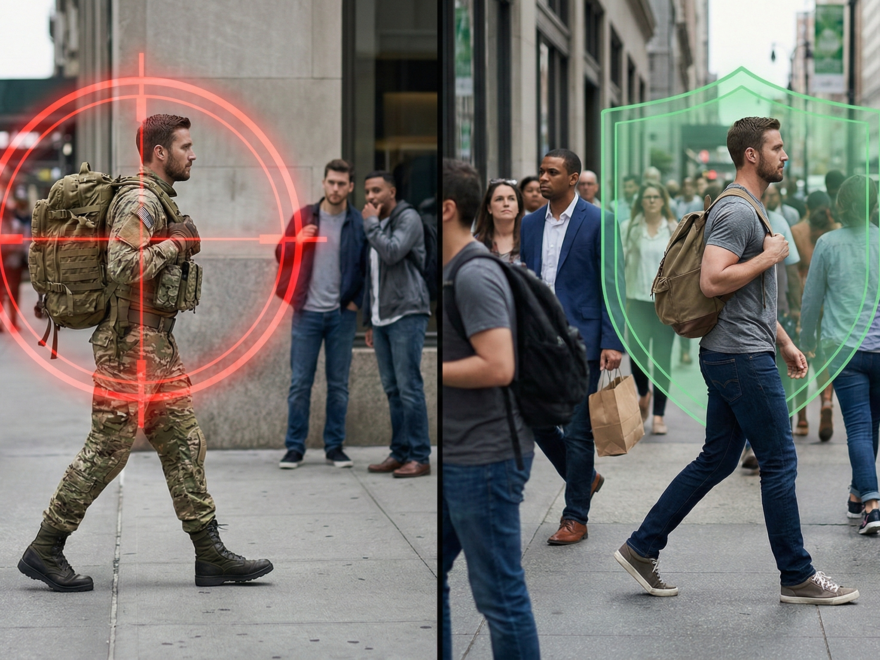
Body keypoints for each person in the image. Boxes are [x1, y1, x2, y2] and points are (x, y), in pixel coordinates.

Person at [18, 114, 273, 592]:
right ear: (161, 152)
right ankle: (46, 547)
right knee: (107, 451)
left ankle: (209, 552)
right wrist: (177, 245)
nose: (193, 154)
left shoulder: (154, 200)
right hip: (128, 345)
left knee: (184, 443)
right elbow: (121, 266)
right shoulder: (139, 202)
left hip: (155, 343)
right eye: (185, 146)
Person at [615, 116, 859, 605]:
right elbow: (712, 281)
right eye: (776, 147)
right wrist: (770, 257)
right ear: (752, 154)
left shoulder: (749, 208)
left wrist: (784, 341)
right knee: (779, 459)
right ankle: (797, 574)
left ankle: (642, 547)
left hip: (741, 350)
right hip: (741, 358)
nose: (784, 155)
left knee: (718, 458)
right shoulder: (737, 212)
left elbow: (749, 298)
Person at [441, 158, 540, 660]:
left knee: (500, 596)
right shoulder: (458, 268)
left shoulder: (474, 274)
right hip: (464, 452)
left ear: (446, 209)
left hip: (487, 457)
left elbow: (498, 366)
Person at [520, 148, 624, 545]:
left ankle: (574, 517)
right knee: (537, 420)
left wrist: (613, 342)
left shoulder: (600, 222)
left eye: (551, 172)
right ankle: (585, 477)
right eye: (541, 171)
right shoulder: (530, 225)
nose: (542, 178)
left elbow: (612, 285)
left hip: (582, 341)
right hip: (538, 341)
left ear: (573, 178)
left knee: (580, 431)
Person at [800, 175, 880, 533]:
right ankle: (856, 495)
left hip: (844, 349)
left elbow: (812, 298)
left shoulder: (828, 243)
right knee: (871, 427)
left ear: (840, 205)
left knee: (860, 430)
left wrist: (806, 341)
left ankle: (872, 505)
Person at [275, 159, 367, 470]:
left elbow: (366, 267)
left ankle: (334, 447)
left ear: (350, 187)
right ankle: (294, 447)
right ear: (324, 183)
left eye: (342, 184)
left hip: (341, 315)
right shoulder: (304, 216)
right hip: (307, 313)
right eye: (332, 182)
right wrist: (297, 243)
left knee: (338, 384)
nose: (336, 188)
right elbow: (280, 252)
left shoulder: (357, 222)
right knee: (300, 382)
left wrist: (356, 302)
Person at [362, 171, 432, 478]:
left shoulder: (408, 218)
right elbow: (373, 275)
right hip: (382, 317)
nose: (371, 197)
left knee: (409, 388)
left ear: (392, 191)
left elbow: (391, 253)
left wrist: (370, 224)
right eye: (367, 192)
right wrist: (370, 320)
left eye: (377, 190)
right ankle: (400, 451)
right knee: (393, 389)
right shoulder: (380, 223)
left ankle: (419, 455)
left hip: (407, 312)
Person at [620, 182, 678, 436]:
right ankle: (644, 394)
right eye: (648, 197)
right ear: (641, 202)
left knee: (663, 361)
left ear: (663, 201)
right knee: (638, 358)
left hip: (665, 305)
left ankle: (658, 414)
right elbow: (620, 265)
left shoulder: (674, 229)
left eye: (656, 196)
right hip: (638, 302)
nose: (652, 201)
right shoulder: (629, 228)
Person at [790, 191, 840, 439]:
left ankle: (801, 418)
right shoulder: (837, 231)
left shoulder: (796, 231)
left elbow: (792, 271)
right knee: (823, 360)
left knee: (801, 361)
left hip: (804, 302)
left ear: (807, 209)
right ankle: (827, 404)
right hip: (830, 305)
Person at [473, 178, 524, 264]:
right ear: (489, 208)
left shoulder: (529, 240)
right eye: (499, 199)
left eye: (511, 199)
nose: (506, 204)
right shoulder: (476, 243)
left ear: (518, 207)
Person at [0, 197, 28, 332]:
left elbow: (23, 242)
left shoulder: (17, 224)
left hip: (14, 264)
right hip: (2, 264)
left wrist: (8, 245)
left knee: (14, 293)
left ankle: (13, 321)